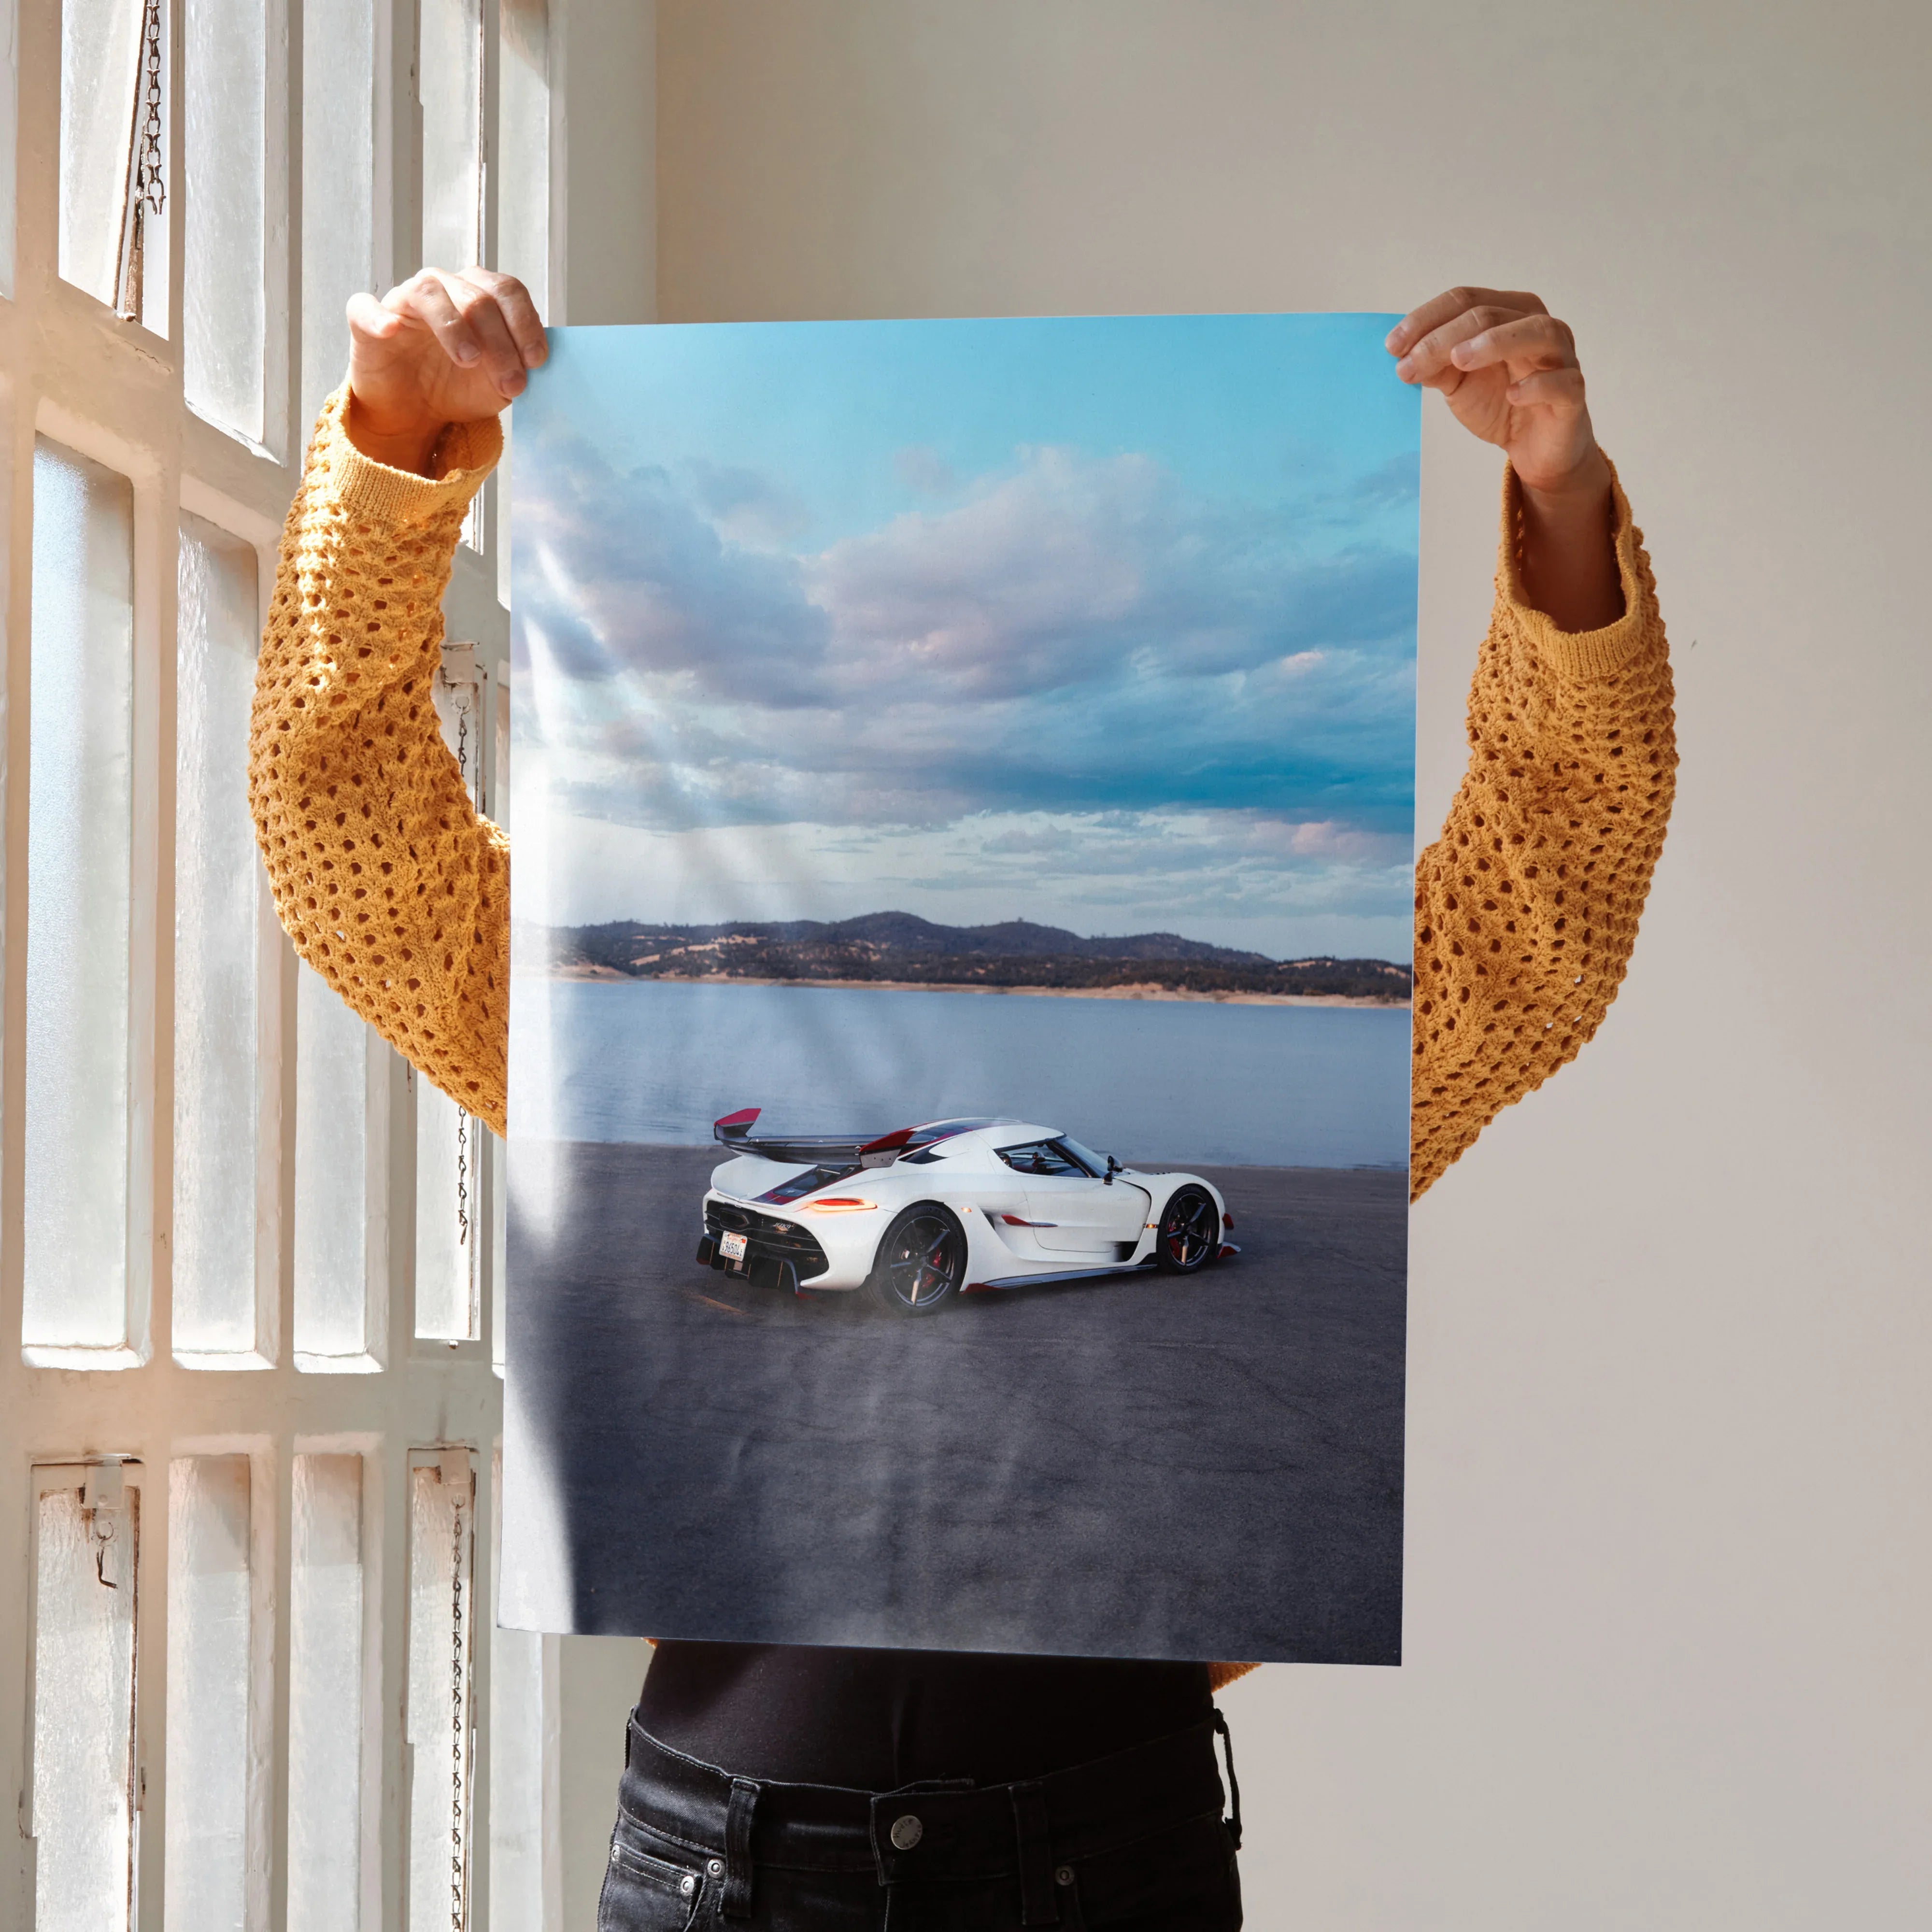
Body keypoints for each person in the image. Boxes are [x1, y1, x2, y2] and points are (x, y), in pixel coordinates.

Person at [249, 268, 1675, 1929]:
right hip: (735, 1862)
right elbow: (345, 833)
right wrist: (392, 445)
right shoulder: (601, 1037)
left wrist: (1560, 498)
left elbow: (1542, 909)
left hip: (1099, 1850)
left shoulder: (1112, 1146)